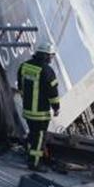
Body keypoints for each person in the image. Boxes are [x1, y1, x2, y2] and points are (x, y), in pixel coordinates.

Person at [17, 42, 61, 170]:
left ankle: (28, 151)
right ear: (46, 56)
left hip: (27, 110)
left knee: (33, 133)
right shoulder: (47, 71)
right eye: (51, 56)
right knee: (39, 137)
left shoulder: (24, 66)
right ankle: (34, 163)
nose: (51, 59)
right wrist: (56, 107)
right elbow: (53, 93)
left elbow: (21, 86)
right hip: (41, 113)